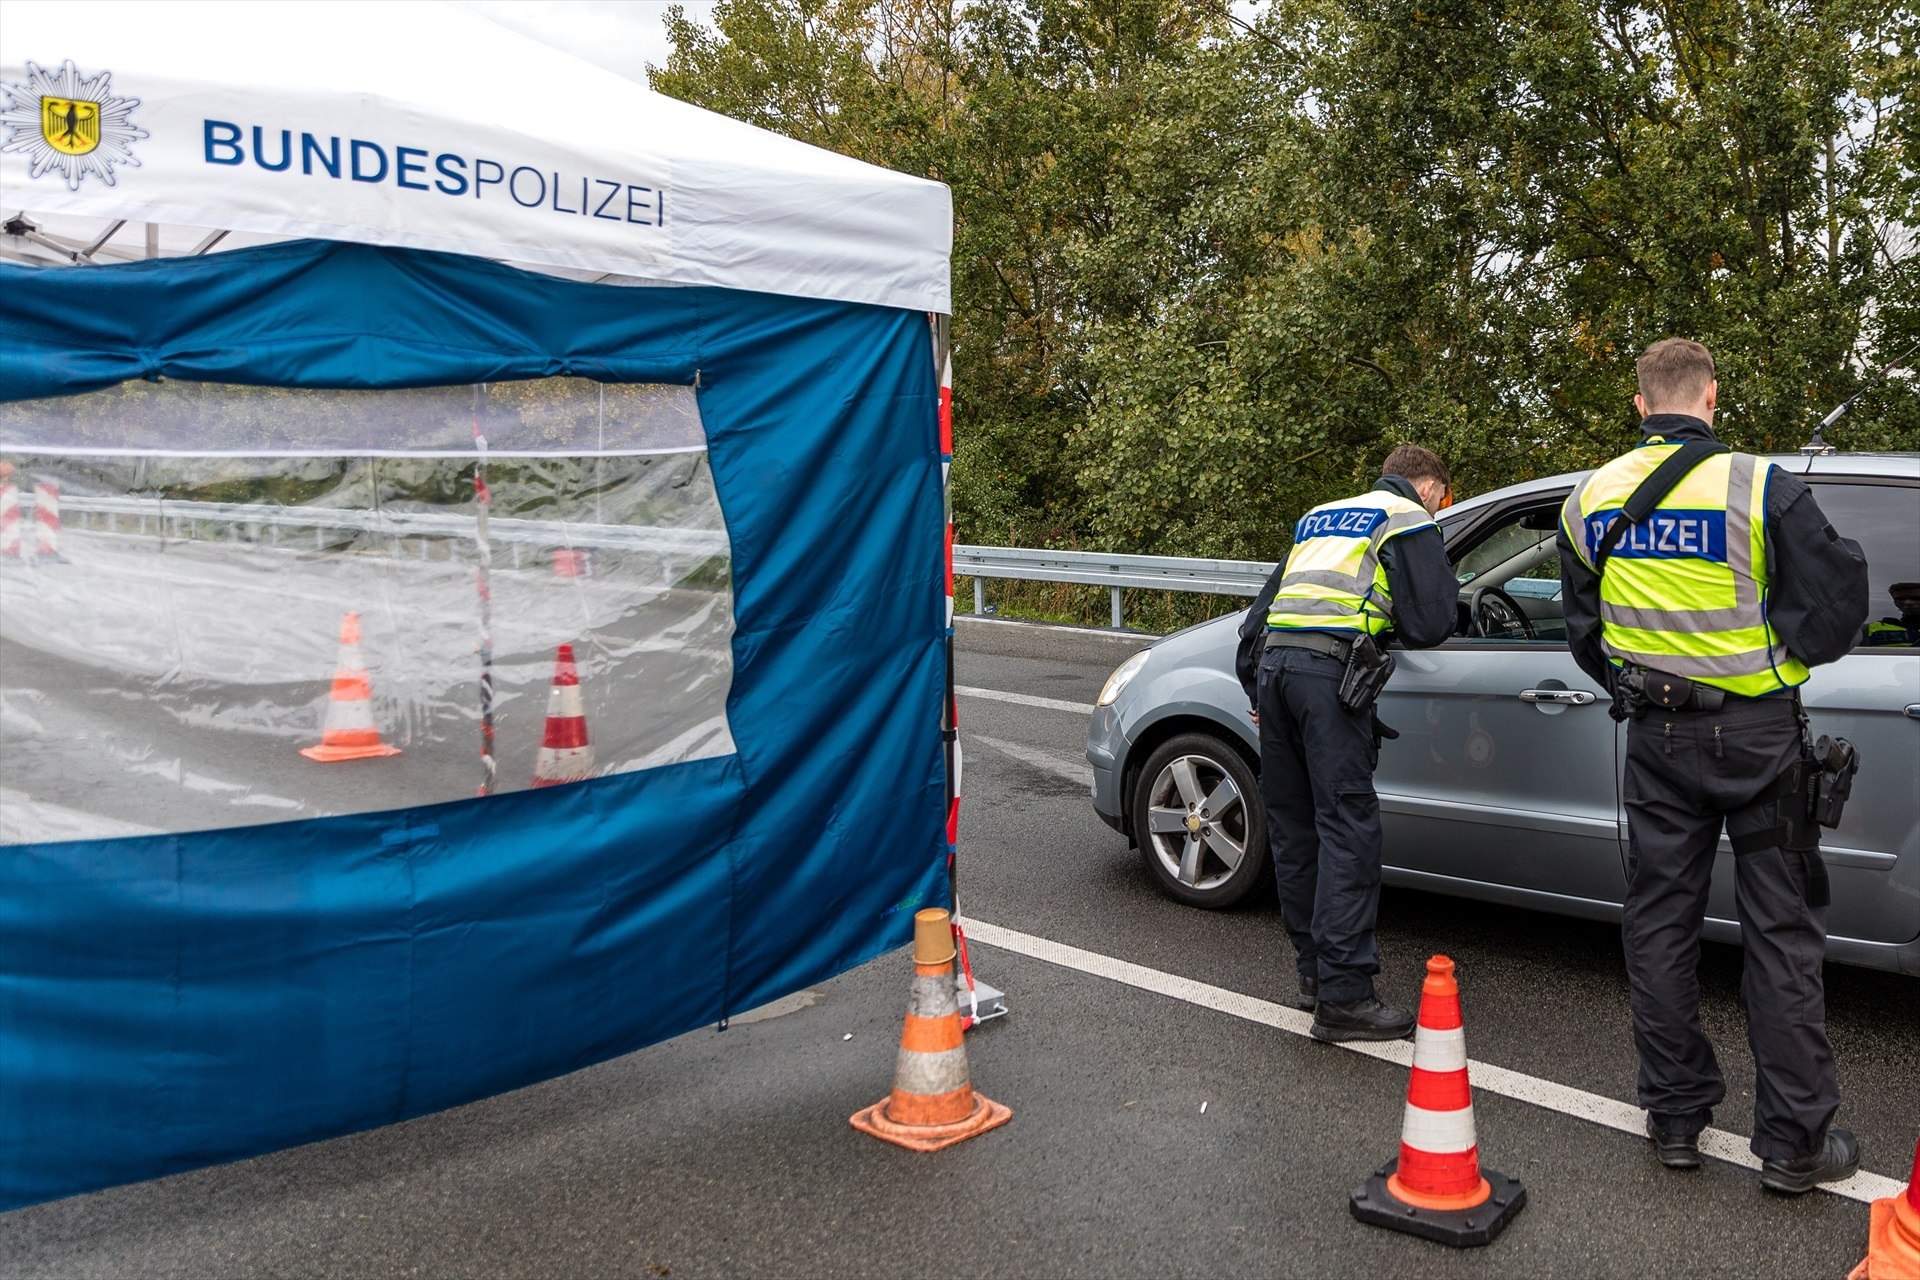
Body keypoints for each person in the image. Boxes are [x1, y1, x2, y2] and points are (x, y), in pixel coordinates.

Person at [1555, 338, 1870, 1194]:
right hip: (1761, 739)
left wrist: (1641, 684)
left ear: (1639, 405)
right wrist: (1777, 657)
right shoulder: (1758, 484)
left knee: (1659, 924)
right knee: (1780, 936)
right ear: (1711, 397)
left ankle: (1676, 1119)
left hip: (1656, 741)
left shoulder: (1592, 497)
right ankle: (1795, 1144)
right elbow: (1842, 601)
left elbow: (1584, 633)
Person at [1239, 445, 1457, 1042]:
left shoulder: (1321, 515)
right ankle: (1345, 997)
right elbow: (1434, 621)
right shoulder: (1409, 517)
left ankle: (1314, 975)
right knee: (1347, 830)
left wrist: (1258, 693)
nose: (1442, 507)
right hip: (1329, 680)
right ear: (1431, 486)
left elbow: (1260, 616)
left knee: (1295, 828)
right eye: (1445, 497)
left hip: (1275, 672)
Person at [1862, 582, 1920, 646]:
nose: (1907, 602)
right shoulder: (1869, 630)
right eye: (1900, 599)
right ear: (1895, 602)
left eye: (1916, 598)